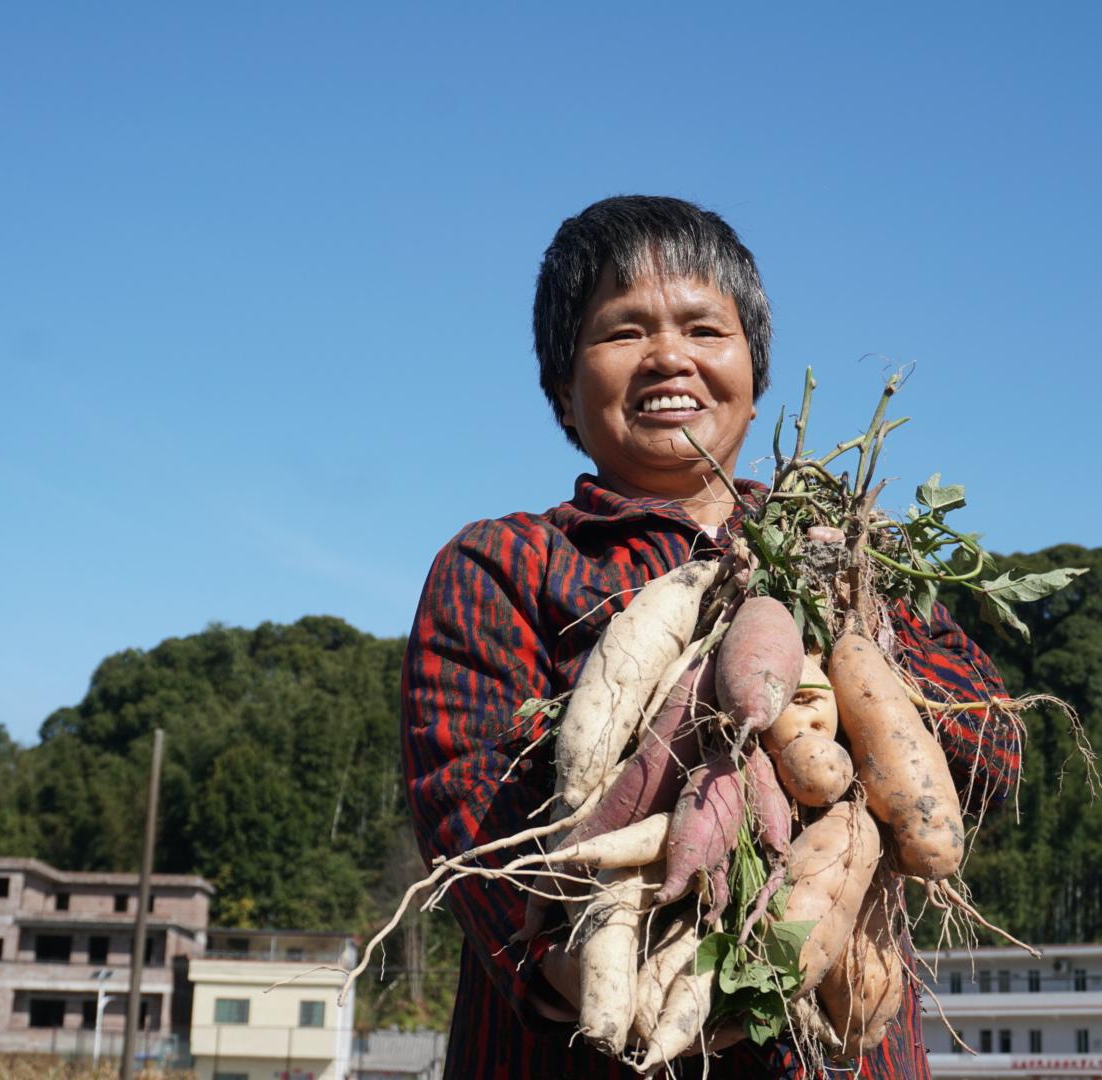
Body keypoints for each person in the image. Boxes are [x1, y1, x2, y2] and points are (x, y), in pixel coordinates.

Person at [400, 195, 1017, 1078]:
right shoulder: (505, 564)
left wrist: (850, 632)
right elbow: (471, 821)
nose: (668, 357)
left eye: (703, 327)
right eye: (622, 331)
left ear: (757, 377)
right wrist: (623, 987)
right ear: (560, 390)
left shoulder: (858, 559)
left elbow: (988, 764)